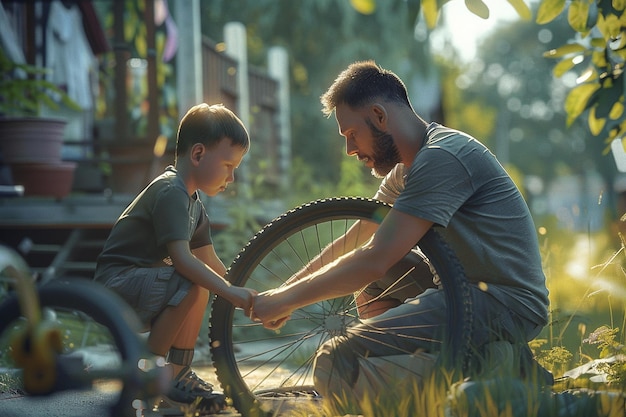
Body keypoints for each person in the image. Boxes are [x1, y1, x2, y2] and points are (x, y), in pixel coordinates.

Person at [251, 61, 551, 411]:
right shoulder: (405, 172)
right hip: (461, 291)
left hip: (503, 303)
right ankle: (484, 362)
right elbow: (359, 236)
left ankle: (468, 371)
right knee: (374, 287)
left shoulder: (442, 158)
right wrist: (285, 292)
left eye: (351, 134)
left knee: (334, 360)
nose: (350, 150)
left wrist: (288, 300)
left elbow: (375, 259)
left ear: (379, 116)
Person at [94, 103, 256, 412]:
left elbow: (211, 264)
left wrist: (250, 296)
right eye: (227, 165)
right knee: (190, 281)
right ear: (197, 155)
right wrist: (233, 294)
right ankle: (149, 376)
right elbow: (184, 262)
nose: (232, 177)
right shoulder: (171, 192)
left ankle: (177, 373)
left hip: (142, 285)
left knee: (199, 283)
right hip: (115, 286)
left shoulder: (194, 205)